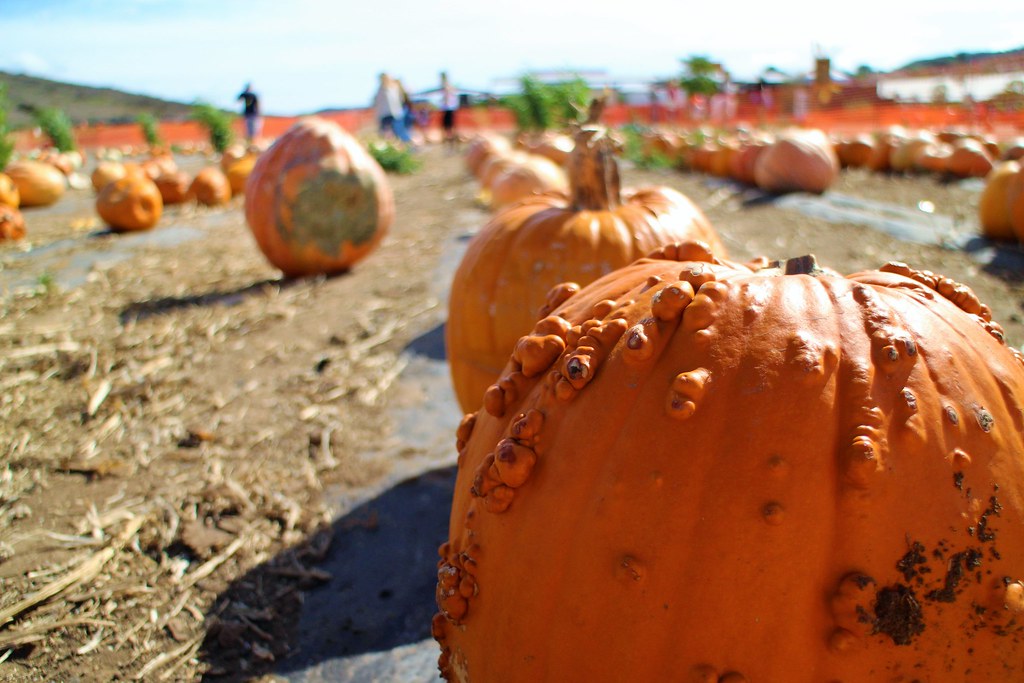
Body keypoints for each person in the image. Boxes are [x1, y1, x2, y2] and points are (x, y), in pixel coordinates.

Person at [373, 73, 411, 144]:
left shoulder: (393, 88)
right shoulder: (381, 90)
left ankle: (408, 147)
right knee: (386, 134)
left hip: (395, 114)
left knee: (400, 132)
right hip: (386, 115)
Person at [439, 71, 460, 148]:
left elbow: (447, 98)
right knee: (448, 128)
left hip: (448, 109)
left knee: (449, 128)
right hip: (448, 109)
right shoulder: (448, 86)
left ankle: (452, 145)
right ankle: (452, 145)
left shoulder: (446, 86)